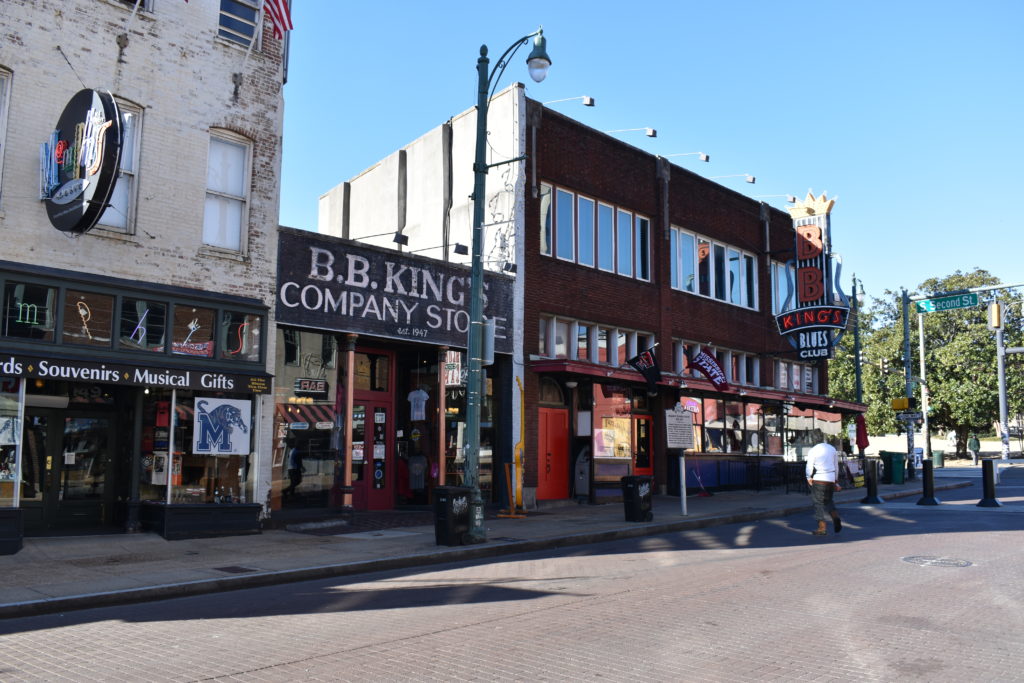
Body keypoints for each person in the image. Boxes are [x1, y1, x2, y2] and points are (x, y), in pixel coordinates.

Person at [805, 441, 842, 536]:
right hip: (830, 478)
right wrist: (836, 480)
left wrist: (808, 477)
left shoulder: (813, 450)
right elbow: (836, 466)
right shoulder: (832, 449)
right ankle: (835, 517)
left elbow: (809, 466)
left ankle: (822, 527)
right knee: (829, 501)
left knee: (818, 503)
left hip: (819, 478)